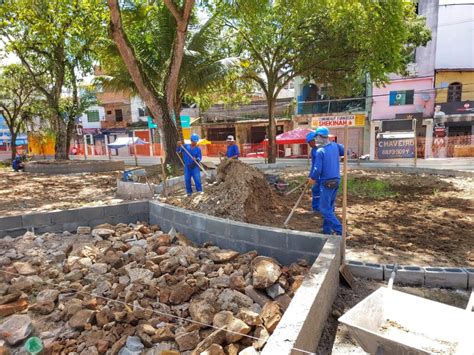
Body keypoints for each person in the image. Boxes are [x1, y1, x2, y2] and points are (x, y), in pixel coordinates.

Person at [308, 126, 344, 235]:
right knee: (330, 207)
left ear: (319, 137)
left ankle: (340, 231)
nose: (316, 139)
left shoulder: (320, 151)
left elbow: (317, 169)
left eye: (316, 137)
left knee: (324, 209)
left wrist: (312, 178)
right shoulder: (335, 146)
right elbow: (345, 151)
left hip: (326, 182)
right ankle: (327, 230)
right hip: (336, 180)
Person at [306, 131, 321, 212]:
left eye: (309, 142)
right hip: (316, 175)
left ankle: (327, 210)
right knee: (315, 190)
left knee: (324, 193)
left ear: (314, 140)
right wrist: (310, 176)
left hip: (323, 175)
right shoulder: (313, 150)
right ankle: (316, 208)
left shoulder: (322, 149)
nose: (309, 144)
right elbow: (313, 165)